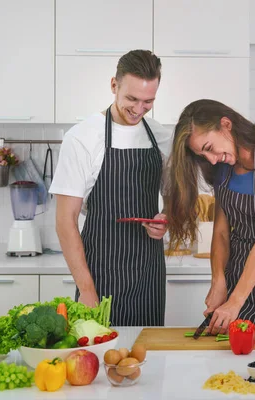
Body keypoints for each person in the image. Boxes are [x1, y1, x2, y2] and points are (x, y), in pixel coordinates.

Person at [49, 50, 171, 326]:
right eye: (132, 99)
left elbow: (175, 195)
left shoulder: (160, 136)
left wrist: (167, 216)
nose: (139, 109)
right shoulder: (81, 138)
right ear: (114, 85)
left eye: (148, 101)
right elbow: (65, 221)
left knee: (144, 355)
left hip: (148, 272)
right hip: (99, 272)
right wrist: (87, 289)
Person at [165, 99, 255, 332]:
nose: (211, 159)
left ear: (226, 124)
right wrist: (218, 281)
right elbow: (221, 233)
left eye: (209, 148)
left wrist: (235, 303)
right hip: (235, 285)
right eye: (203, 154)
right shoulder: (224, 169)